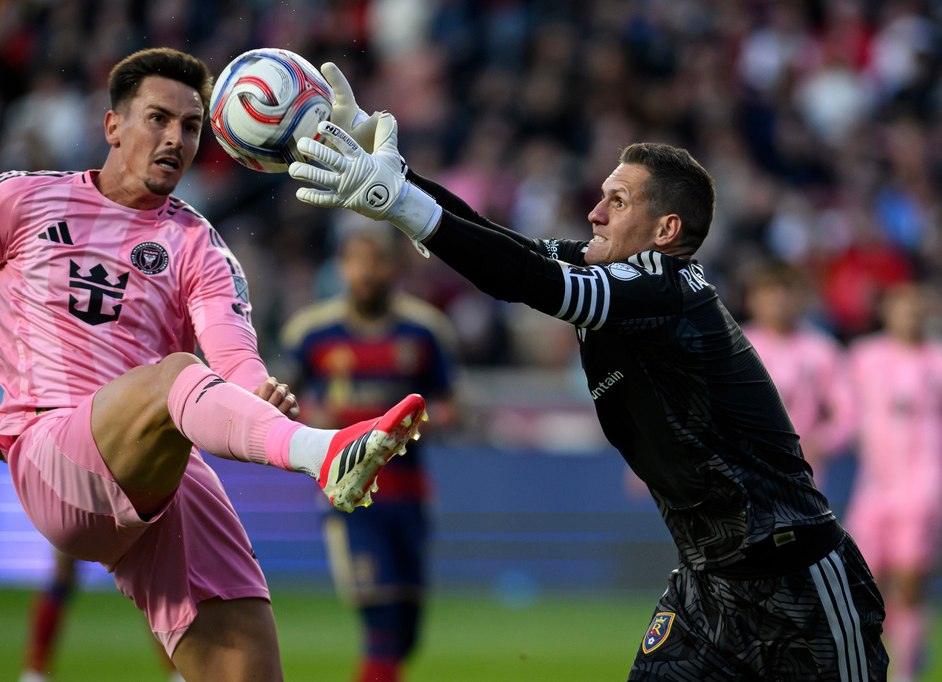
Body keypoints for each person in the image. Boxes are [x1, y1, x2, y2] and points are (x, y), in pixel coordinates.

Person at [285, 67, 889, 681]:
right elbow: (501, 247)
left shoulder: (663, 287)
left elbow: (528, 281)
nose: (595, 214)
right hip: (706, 586)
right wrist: (399, 176)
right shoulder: (613, 272)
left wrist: (401, 205)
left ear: (666, 232)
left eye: (618, 201)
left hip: (797, 576)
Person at [0, 48, 427, 682]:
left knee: (249, 668)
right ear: (112, 126)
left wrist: (256, 395)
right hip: (52, 455)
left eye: (190, 127)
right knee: (173, 374)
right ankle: (324, 454)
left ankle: (311, 451)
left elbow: (233, 358)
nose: (175, 139)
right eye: (158, 119)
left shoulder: (199, 247)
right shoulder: (22, 201)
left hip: (156, 470)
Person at [281, 224, 458, 682]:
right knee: (379, 625)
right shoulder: (312, 333)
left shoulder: (425, 331)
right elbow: (280, 402)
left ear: (394, 267)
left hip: (410, 495)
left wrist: (431, 421)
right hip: (349, 497)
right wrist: (308, 422)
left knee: (405, 634)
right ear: (342, 267)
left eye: (377, 260)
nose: (367, 271)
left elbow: (452, 404)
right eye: (357, 260)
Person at [845, 283, 942, 682]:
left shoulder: (937, 360)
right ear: (887, 311)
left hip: (923, 484)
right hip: (874, 484)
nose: (910, 315)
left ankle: (905, 670)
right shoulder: (863, 357)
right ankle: (877, 658)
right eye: (902, 306)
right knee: (863, 581)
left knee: (909, 577)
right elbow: (842, 410)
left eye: (917, 307)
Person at [741, 259, 856, 485]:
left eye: (787, 292)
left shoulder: (821, 349)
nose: (778, 301)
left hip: (801, 474)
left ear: (801, 298)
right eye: (769, 292)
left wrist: (823, 441)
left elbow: (848, 410)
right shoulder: (731, 346)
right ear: (752, 300)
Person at [19, 551, 183, 682]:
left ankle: (35, 674)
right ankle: (179, 673)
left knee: (62, 578)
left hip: (80, 513)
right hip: (124, 512)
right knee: (151, 582)